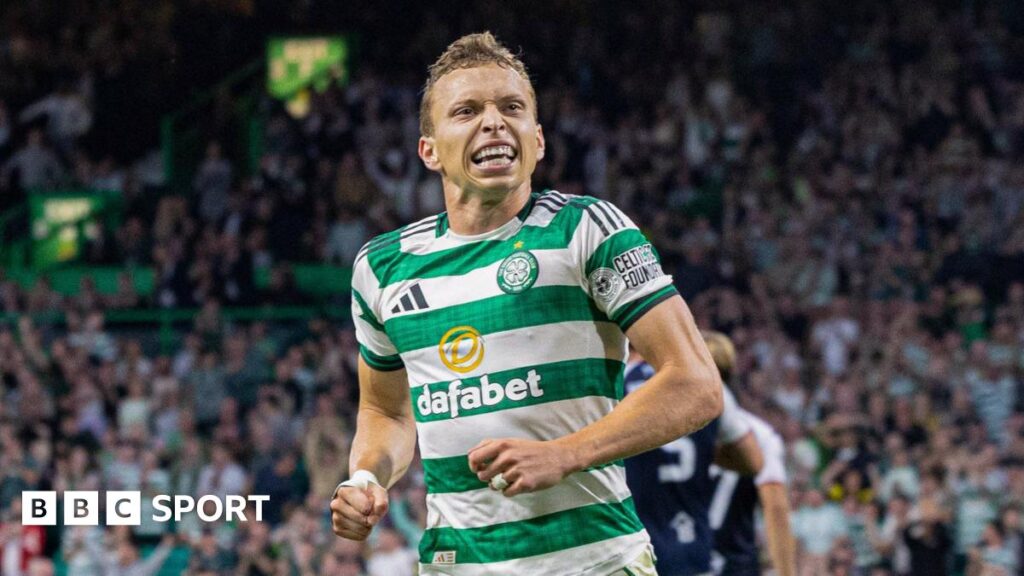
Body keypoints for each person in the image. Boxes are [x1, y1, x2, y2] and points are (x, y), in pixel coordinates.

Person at [332, 31, 724, 575]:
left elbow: (697, 383)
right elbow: (386, 412)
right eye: (467, 111)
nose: (494, 122)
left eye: (511, 108)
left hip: (593, 561)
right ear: (429, 151)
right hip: (453, 565)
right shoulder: (381, 267)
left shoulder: (586, 230)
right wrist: (366, 478)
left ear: (537, 141)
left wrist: (567, 453)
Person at [624, 331, 763, 576]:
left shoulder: (615, 383)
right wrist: (706, 451)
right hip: (692, 545)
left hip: (632, 548)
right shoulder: (703, 380)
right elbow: (753, 460)